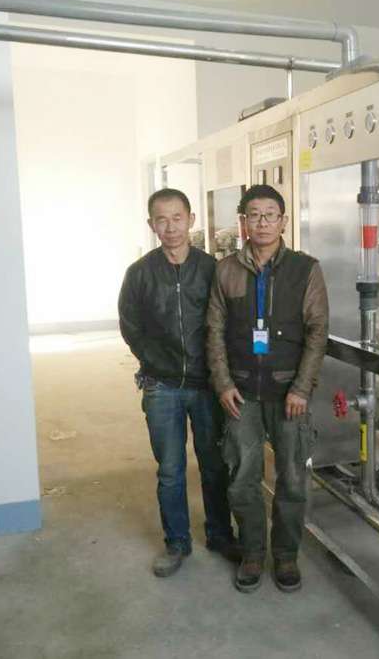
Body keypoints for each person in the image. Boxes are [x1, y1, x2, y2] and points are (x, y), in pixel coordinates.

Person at [207, 184, 328, 593]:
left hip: (288, 392)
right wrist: (223, 383)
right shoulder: (226, 270)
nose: (262, 223)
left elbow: (317, 331)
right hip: (240, 393)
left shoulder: (305, 269)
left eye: (270, 215)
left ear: (283, 221)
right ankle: (253, 552)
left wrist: (302, 388)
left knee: (292, 480)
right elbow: (215, 331)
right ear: (243, 222)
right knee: (243, 478)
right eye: (254, 215)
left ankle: (286, 555)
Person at [119, 188, 239, 577]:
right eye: (161, 220)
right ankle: (177, 542)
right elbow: (131, 326)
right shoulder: (139, 274)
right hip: (162, 386)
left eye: (177, 218)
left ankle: (220, 534)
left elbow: (227, 323)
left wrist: (220, 373)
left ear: (190, 220)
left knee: (214, 465)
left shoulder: (212, 269)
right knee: (170, 469)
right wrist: (155, 362)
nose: (170, 227)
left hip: (207, 384)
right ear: (151, 224)